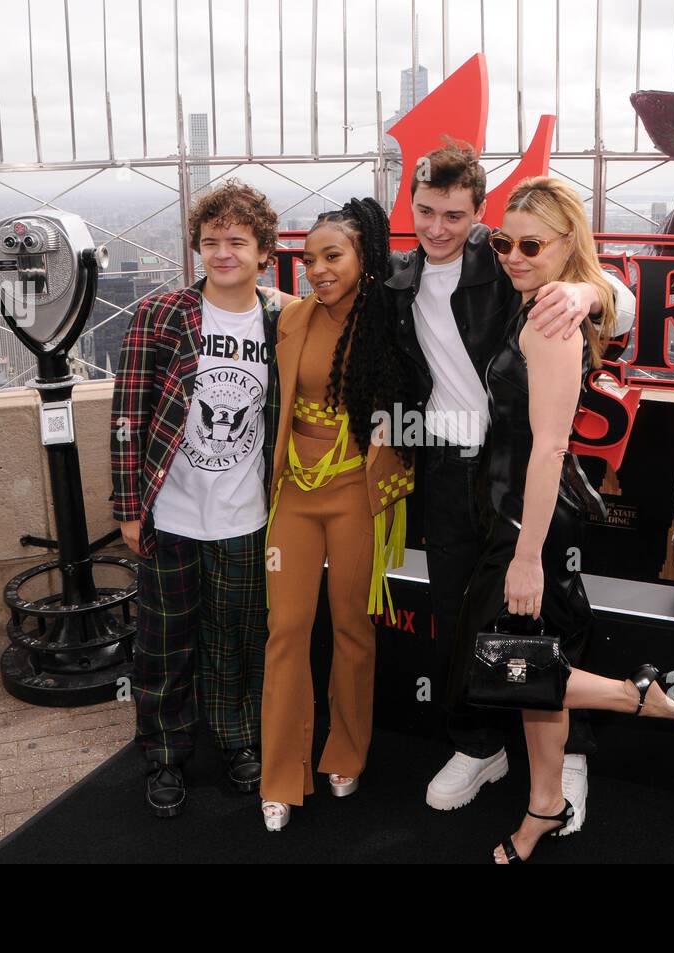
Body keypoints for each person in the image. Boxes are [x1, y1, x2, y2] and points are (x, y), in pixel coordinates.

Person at [444, 176, 674, 863]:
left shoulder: (551, 321)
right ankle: (544, 807)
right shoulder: (534, 300)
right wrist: (590, 288)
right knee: (529, 674)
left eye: (531, 244)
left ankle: (630, 693)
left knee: (495, 664)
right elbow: (613, 293)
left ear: (566, 246)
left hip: (531, 521)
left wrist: (526, 555)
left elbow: (552, 446)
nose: (514, 255)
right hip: (516, 511)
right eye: (504, 241)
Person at [384, 140, 637, 831]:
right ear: (409, 205)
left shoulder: (504, 264)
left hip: (518, 470)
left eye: (455, 215)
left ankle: (572, 758)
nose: (438, 227)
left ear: (477, 215)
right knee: (459, 625)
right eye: (426, 210)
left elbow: (617, 294)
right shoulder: (395, 276)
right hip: (443, 470)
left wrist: (594, 289)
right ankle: (478, 745)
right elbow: (323, 289)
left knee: (549, 617)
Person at [110, 180, 294, 817]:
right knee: (163, 642)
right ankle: (164, 754)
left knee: (237, 640)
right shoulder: (161, 315)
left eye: (237, 241)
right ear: (196, 247)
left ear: (264, 250)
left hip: (247, 515)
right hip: (173, 512)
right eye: (211, 241)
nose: (223, 252)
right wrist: (129, 508)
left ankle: (238, 739)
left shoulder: (283, 319)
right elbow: (128, 411)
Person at [259, 197, 416, 831]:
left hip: (357, 494)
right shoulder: (291, 318)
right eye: (310, 257)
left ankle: (346, 752)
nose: (318, 268)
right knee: (286, 632)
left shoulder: (392, 319)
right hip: (294, 495)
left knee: (353, 630)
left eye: (333, 256)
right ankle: (280, 775)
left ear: (363, 257)